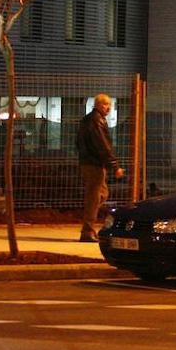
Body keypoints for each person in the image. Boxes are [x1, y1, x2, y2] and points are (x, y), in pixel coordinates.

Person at [77, 92, 124, 241]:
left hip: (88, 162)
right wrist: (115, 165)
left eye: (110, 104)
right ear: (97, 105)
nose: (108, 108)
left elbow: (78, 142)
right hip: (94, 164)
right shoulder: (97, 121)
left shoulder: (87, 120)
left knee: (100, 195)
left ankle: (88, 224)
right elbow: (103, 145)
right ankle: (87, 231)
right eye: (105, 104)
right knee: (94, 196)